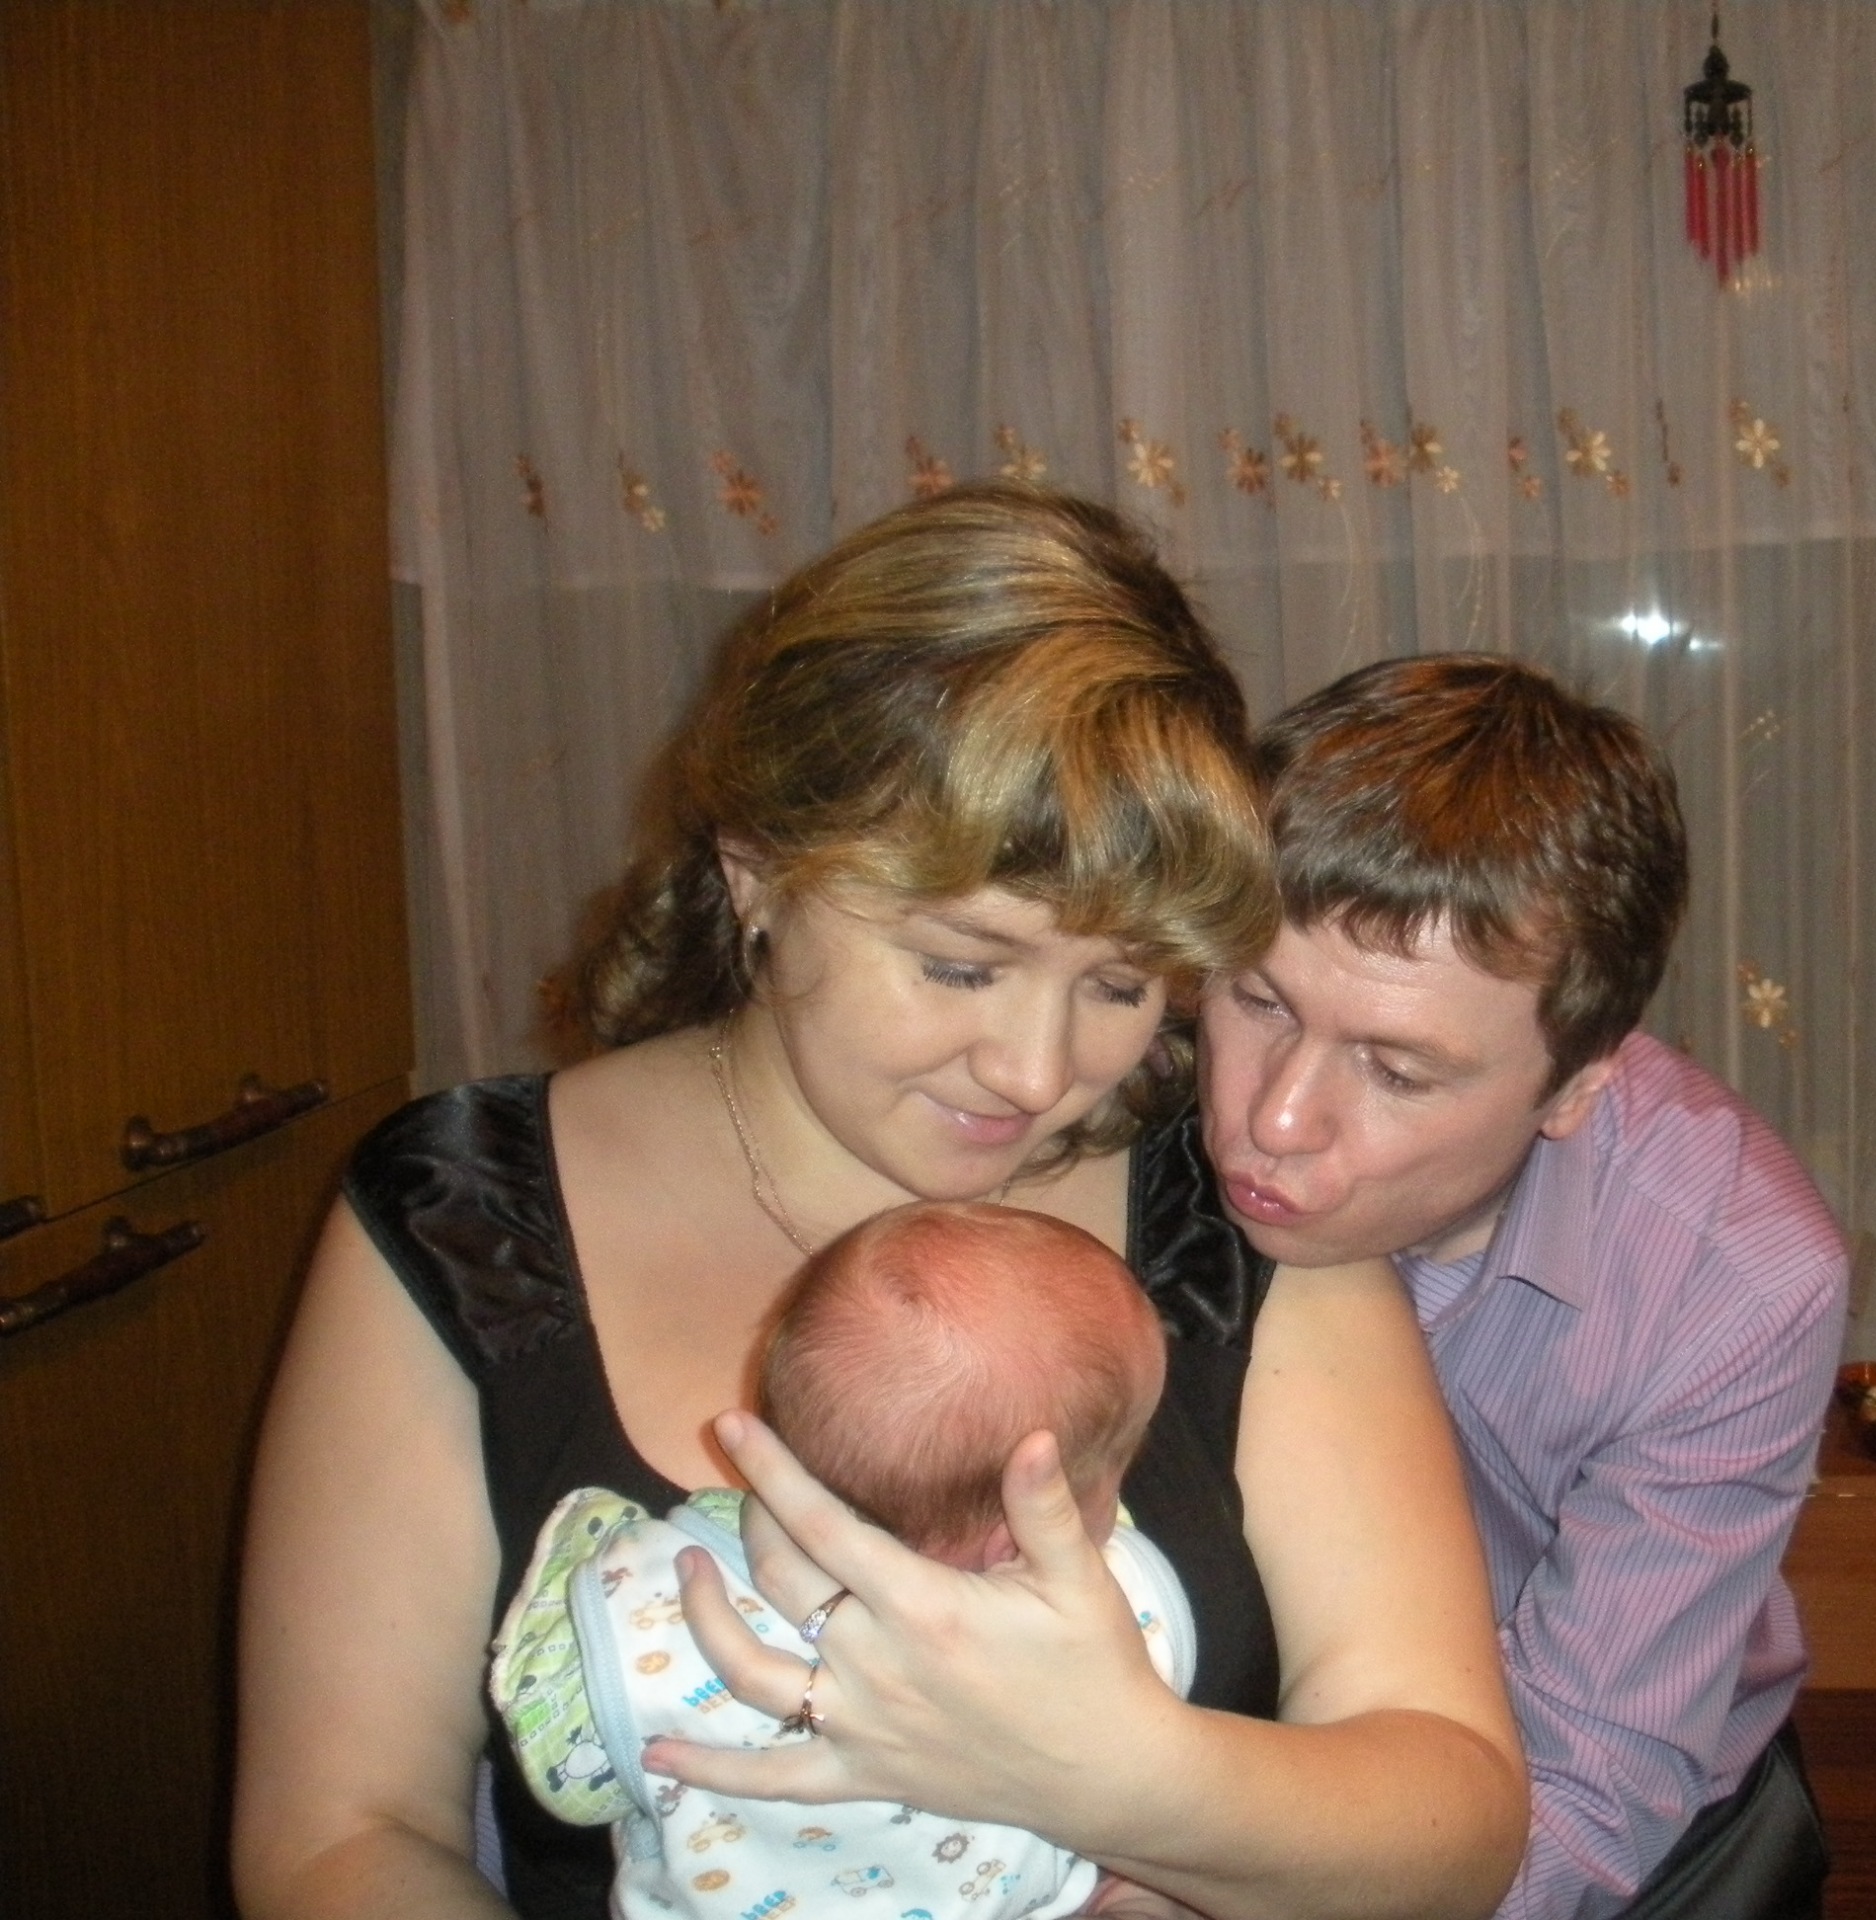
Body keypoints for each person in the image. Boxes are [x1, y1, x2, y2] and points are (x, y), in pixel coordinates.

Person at [233, 487, 1526, 1920]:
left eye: (1118, 983)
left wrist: (1125, 1781)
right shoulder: (469, 1216)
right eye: (962, 965)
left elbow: (1455, 1829)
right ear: (757, 875)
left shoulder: (1232, 1222)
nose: (1037, 1070)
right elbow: (337, 1832)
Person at [1196, 656, 1847, 1920]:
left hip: (1596, 1820)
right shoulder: (1128, 1084)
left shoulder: (1734, 1283)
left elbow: (1591, 1784)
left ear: (1576, 1087)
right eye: (1259, 1000)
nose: (1272, 1121)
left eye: (1396, 1071)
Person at [491, 1202, 1196, 1920]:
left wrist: (590, 1554)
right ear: (1025, 1533)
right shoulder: (1106, 1620)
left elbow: (569, 1781)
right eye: (1125, 1455)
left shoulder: (664, 1589)